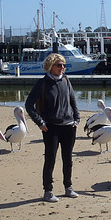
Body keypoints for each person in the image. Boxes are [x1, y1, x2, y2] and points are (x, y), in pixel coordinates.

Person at [25, 53, 80, 202]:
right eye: (59, 65)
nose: (62, 68)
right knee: (50, 160)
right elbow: (29, 105)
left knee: (68, 159)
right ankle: (48, 191)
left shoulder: (66, 80)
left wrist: (76, 119)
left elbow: (72, 99)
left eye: (64, 65)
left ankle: (68, 187)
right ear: (50, 66)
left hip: (69, 126)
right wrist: (40, 123)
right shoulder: (42, 84)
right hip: (51, 128)